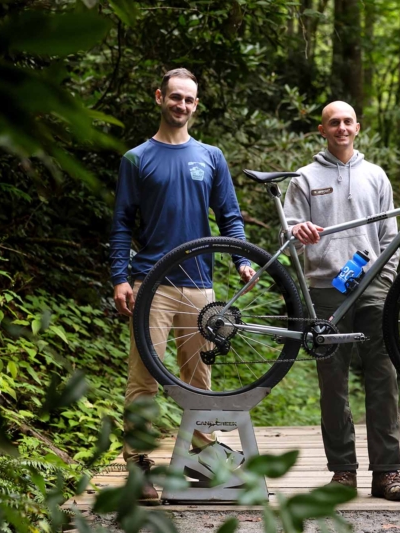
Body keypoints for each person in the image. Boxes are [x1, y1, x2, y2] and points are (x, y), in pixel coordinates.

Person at [109, 68, 255, 504]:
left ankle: (202, 457)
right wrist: (119, 277)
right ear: (159, 97)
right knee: (144, 379)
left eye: (189, 100)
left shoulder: (211, 156)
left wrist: (242, 259)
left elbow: (229, 216)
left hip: (199, 286)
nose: (182, 105)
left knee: (198, 380)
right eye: (175, 97)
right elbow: (121, 223)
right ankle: (138, 466)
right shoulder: (136, 158)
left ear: (196, 104)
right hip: (150, 283)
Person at [283, 101, 400, 501]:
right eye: (333, 122)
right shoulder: (304, 178)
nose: (341, 127)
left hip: (372, 285)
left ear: (358, 127)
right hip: (325, 289)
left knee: (383, 376)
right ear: (321, 130)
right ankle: (343, 472)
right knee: (333, 383)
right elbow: (287, 237)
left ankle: (387, 473)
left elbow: (390, 238)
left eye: (347, 122)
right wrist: (298, 232)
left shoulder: (376, 175)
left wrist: (384, 279)